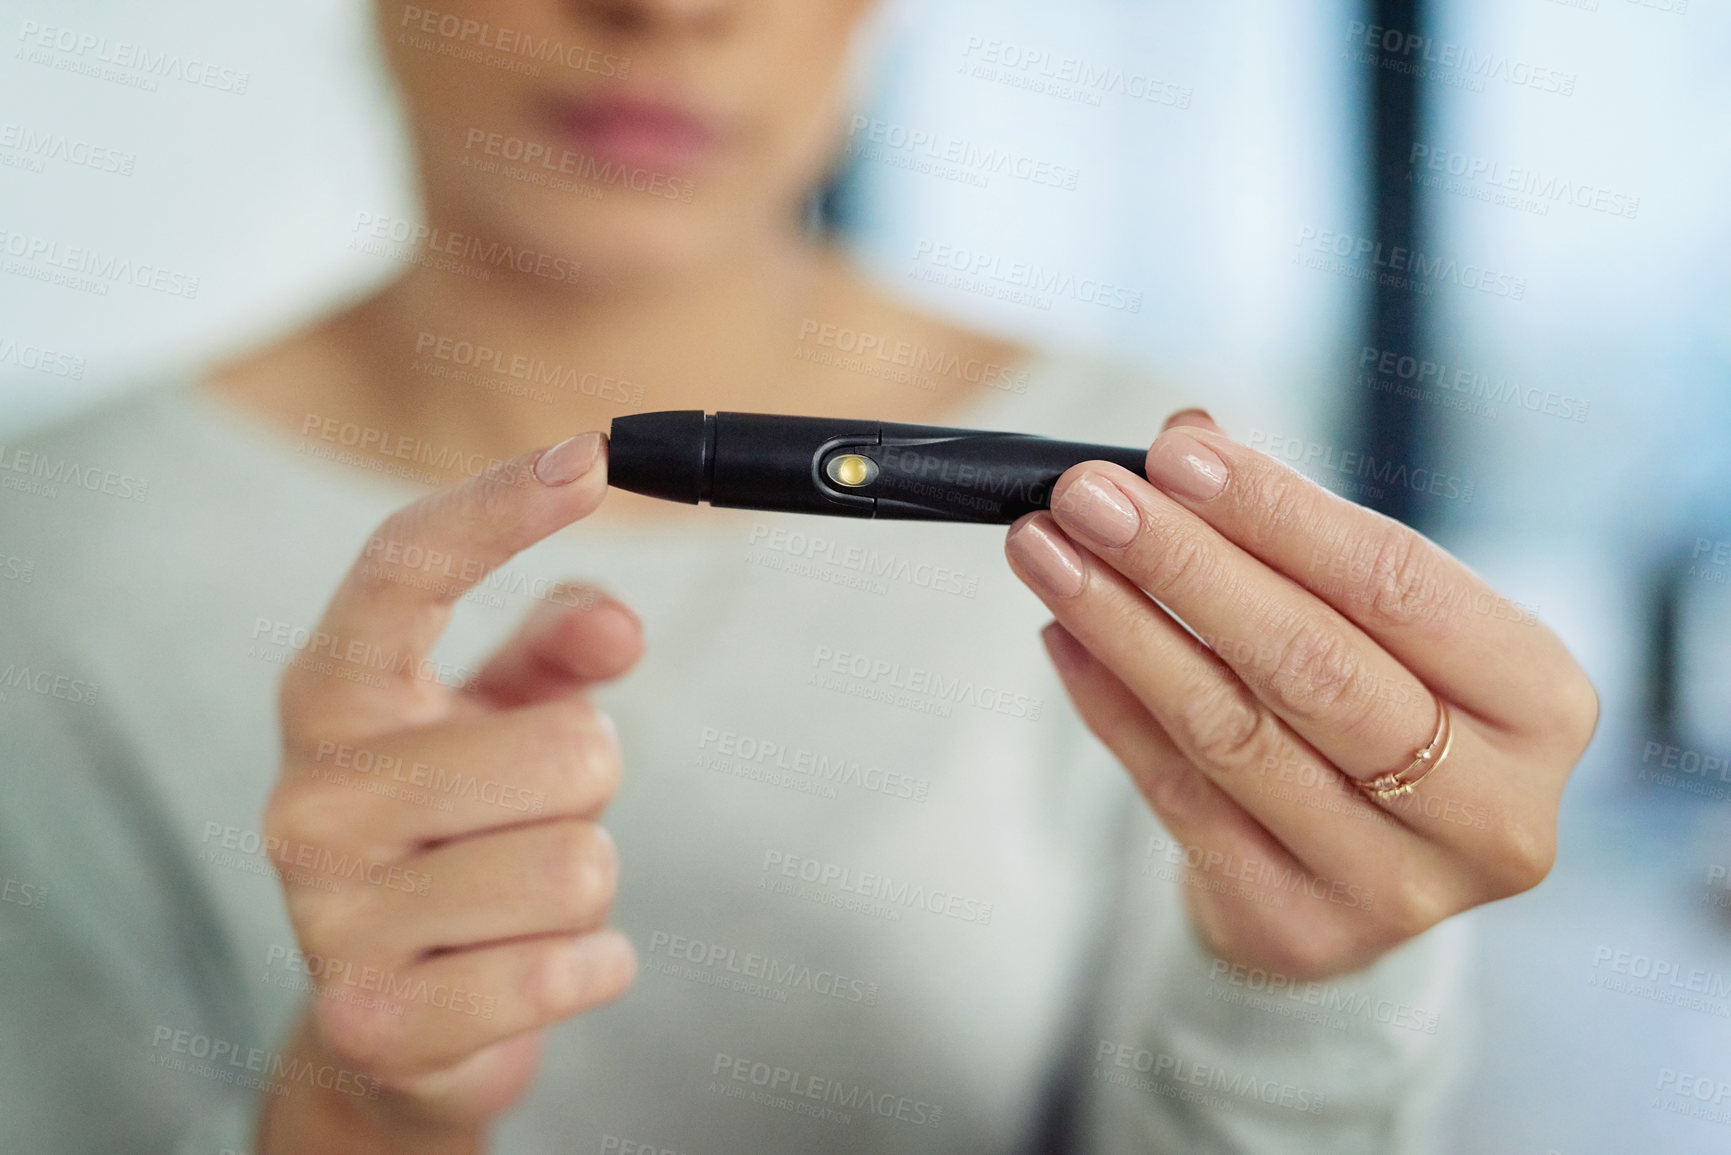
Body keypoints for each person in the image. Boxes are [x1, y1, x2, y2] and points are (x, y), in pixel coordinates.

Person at [0, 1, 1597, 1152]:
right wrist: (357, 1120)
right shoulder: (51, 543)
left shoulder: (1155, 467)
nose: (664, 16)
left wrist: (1319, 980)